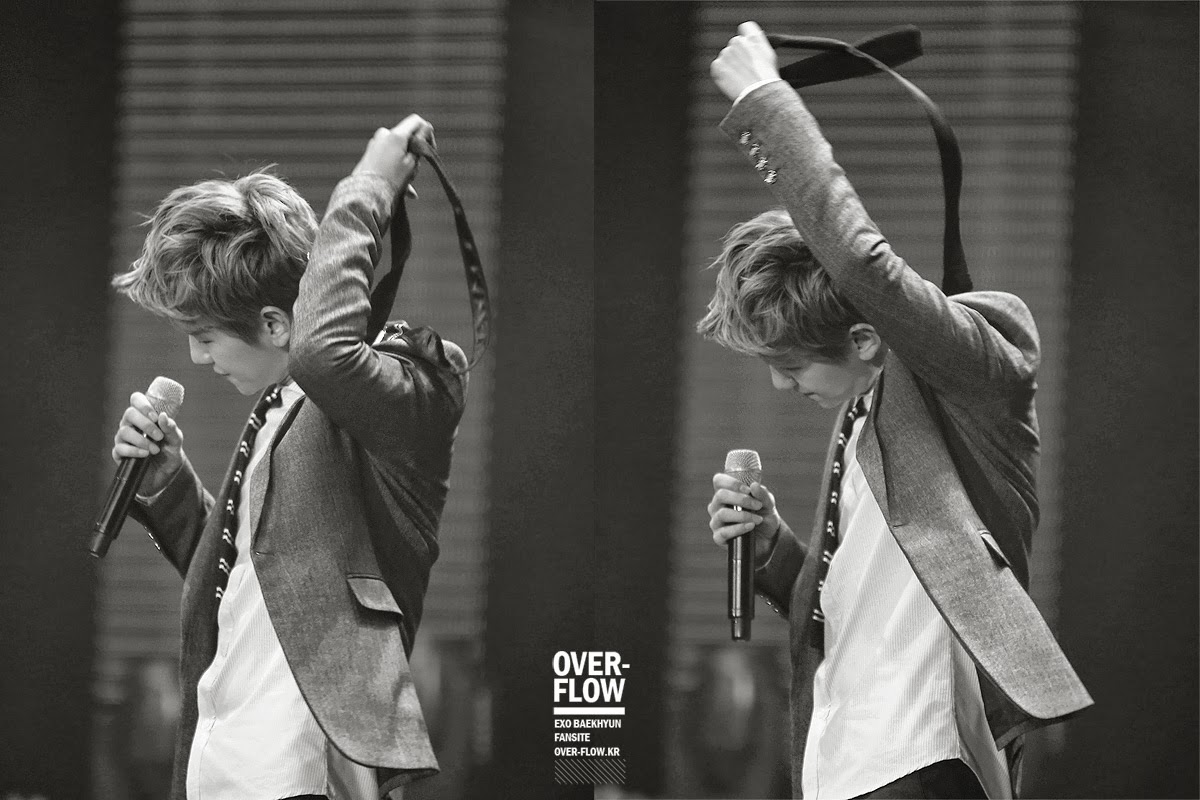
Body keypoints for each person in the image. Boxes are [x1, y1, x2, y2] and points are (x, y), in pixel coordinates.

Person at [700, 23, 1091, 800]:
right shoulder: (866, 419)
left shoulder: (979, 366)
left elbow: (860, 263)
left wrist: (766, 100)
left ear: (866, 337)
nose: (782, 387)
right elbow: (861, 605)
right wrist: (774, 550)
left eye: (791, 366)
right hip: (849, 761)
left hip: (921, 753)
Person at [110, 115, 466, 800]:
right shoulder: (278, 411)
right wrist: (169, 482)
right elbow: (256, 576)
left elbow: (324, 351)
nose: (196, 358)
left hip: (304, 771)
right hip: (221, 764)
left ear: (276, 324)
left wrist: (368, 187)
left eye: (204, 336)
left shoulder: (406, 384)